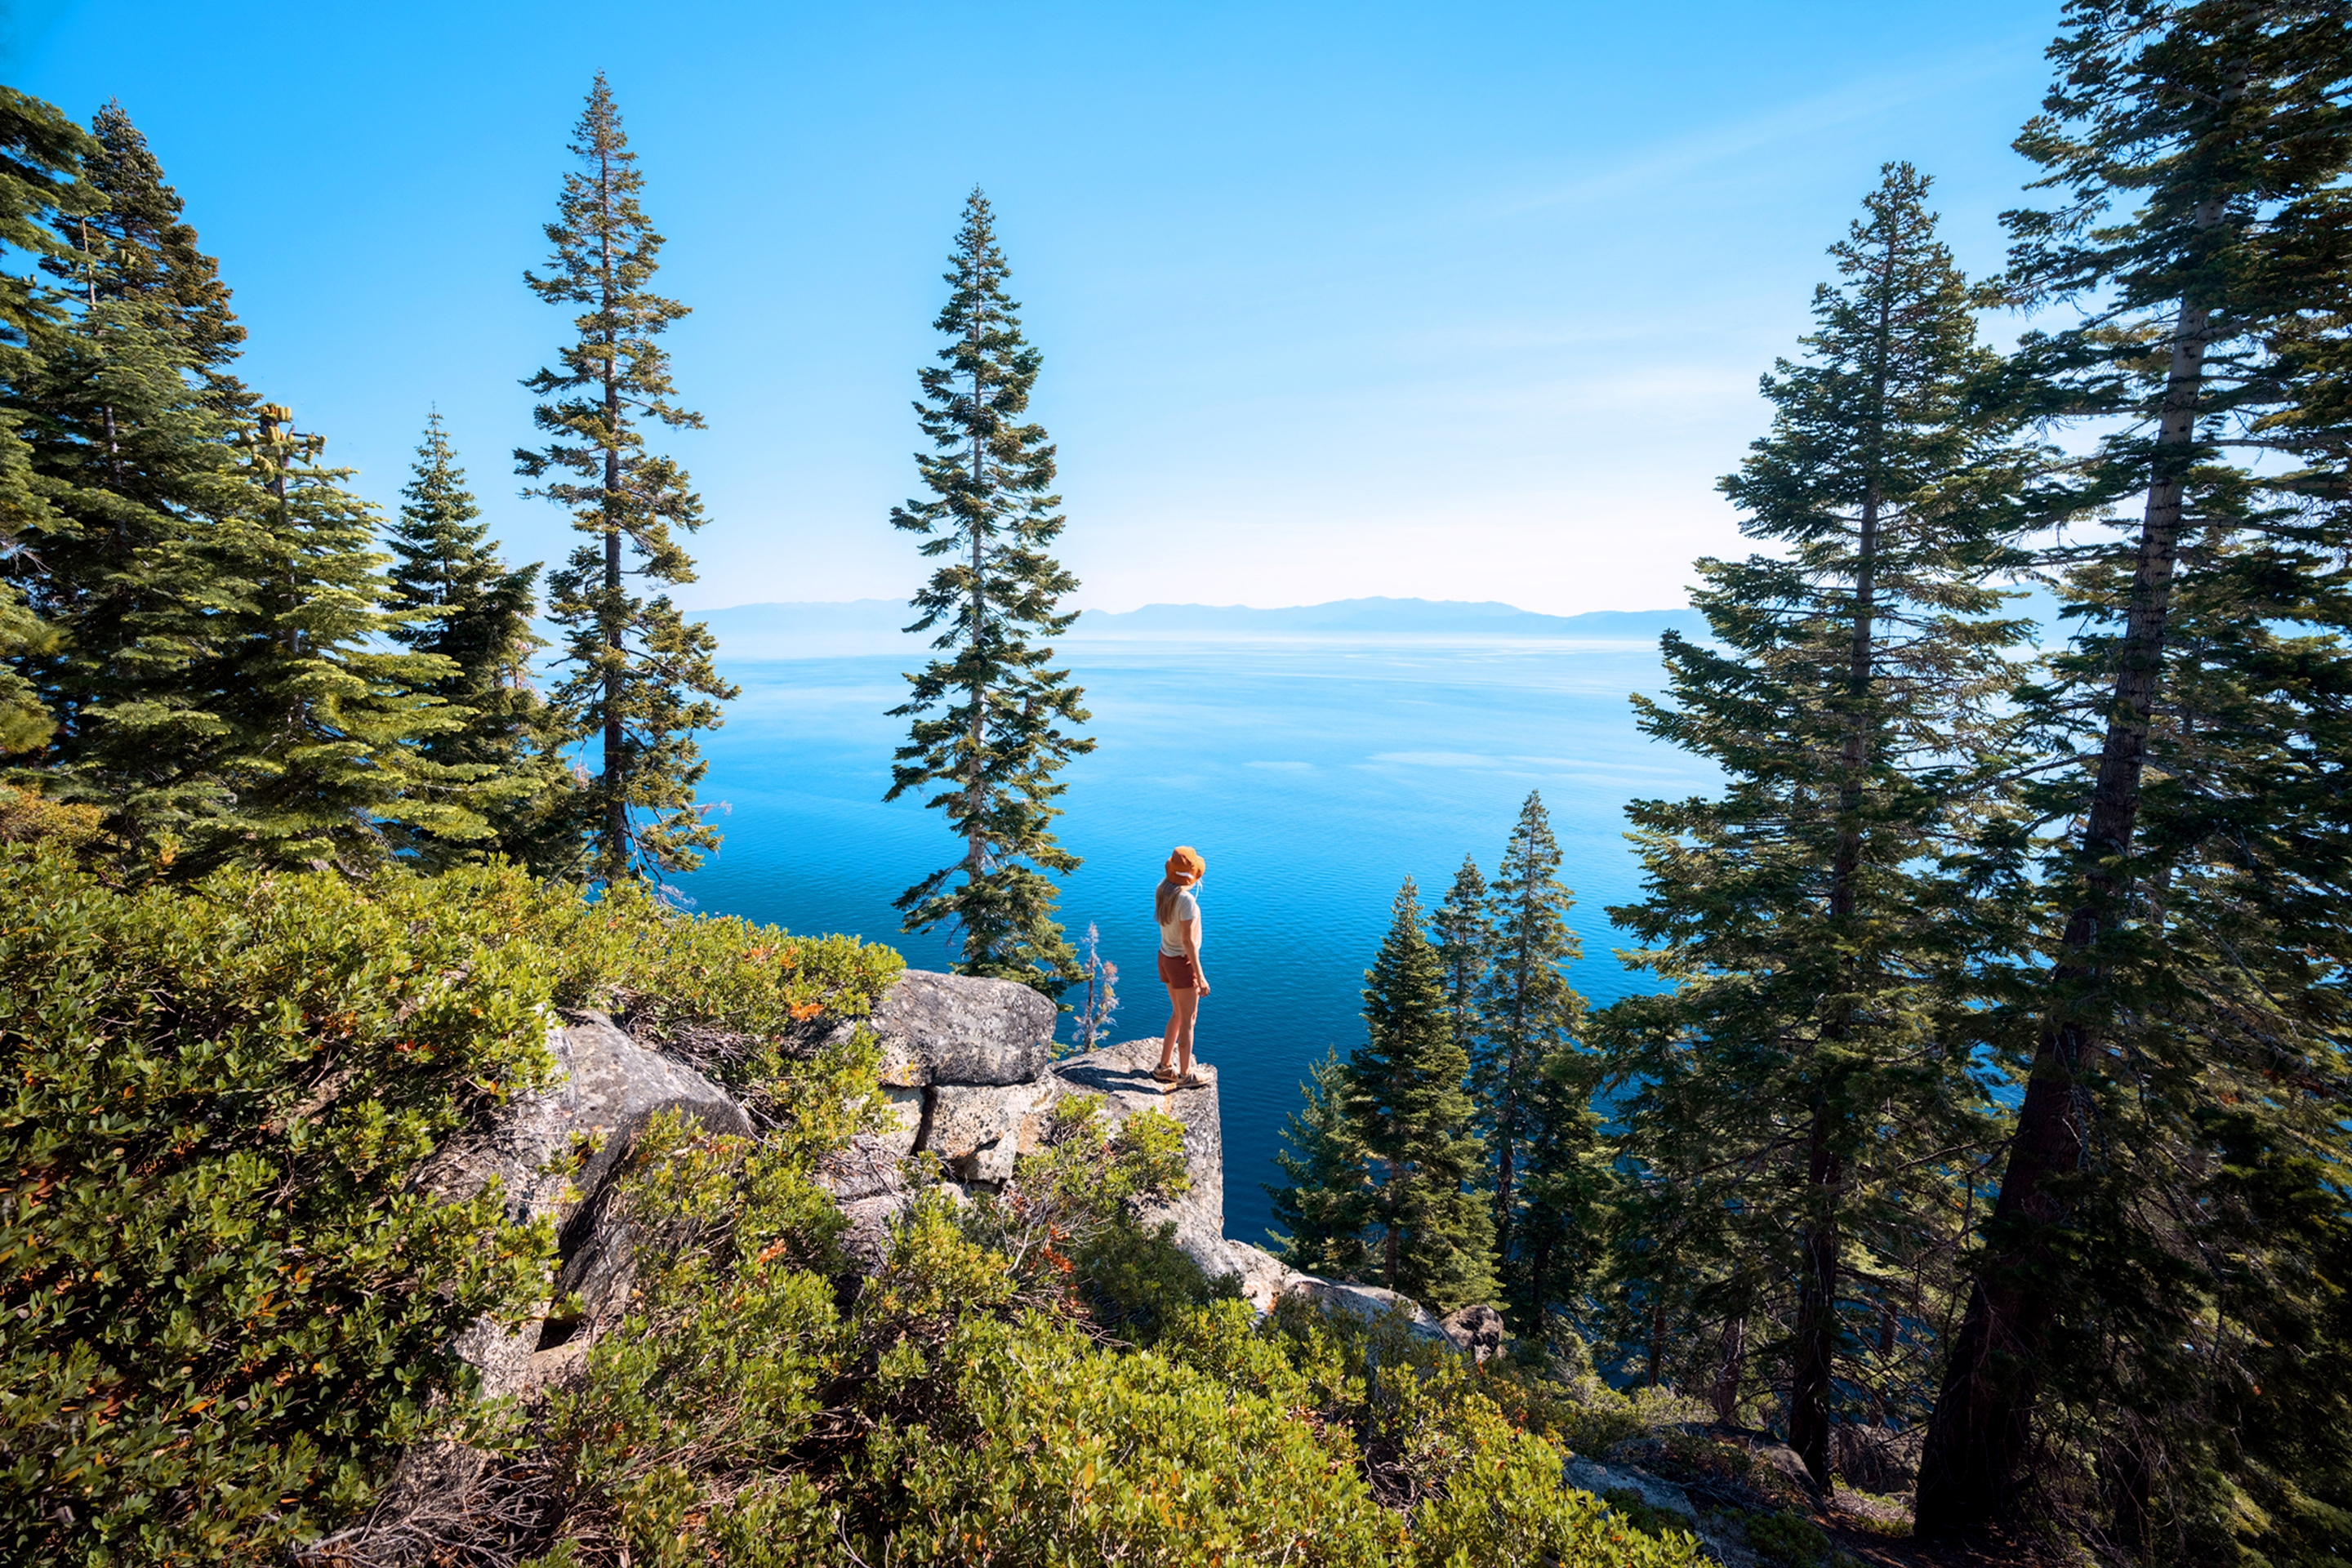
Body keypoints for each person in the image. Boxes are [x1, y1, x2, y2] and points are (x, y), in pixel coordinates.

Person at [1153, 845, 1209, 1088]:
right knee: (1188, 1021)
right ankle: (1186, 1075)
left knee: (1177, 1014)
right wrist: (1200, 975)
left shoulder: (1163, 890)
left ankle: (1164, 1067)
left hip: (1165, 957)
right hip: (1180, 963)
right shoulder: (1185, 900)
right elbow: (1188, 942)